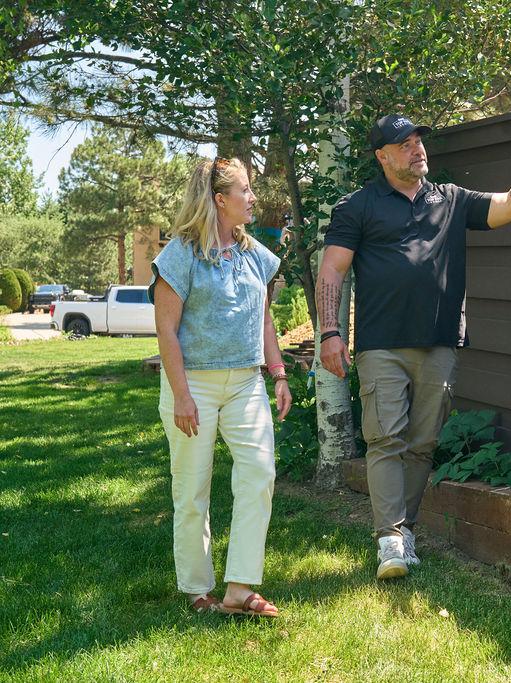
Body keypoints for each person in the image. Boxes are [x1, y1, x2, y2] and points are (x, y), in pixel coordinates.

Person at [317, 114, 511, 579]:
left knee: (422, 445)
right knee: (384, 439)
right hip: (381, 343)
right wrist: (329, 333)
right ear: (383, 157)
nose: (417, 148)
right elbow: (332, 270)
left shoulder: (451, 200)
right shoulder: (357, 206)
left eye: (419, 139)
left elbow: (507, 207)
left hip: (440, 341)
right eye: (404, 144)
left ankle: (406, 532)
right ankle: (389, 540)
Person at [150, 157, 292, 616]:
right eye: (246, 190)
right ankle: (196, 589)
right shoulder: (181, 253)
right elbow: (166, 330)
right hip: (193, 383)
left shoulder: (254, 253)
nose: (253, 199)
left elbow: (263, 318)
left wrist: (279, 372)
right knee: (192, 487)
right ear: (219, 200)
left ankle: (239, 588)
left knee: (259, 474)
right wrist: (182, 395)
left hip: (246, 383)